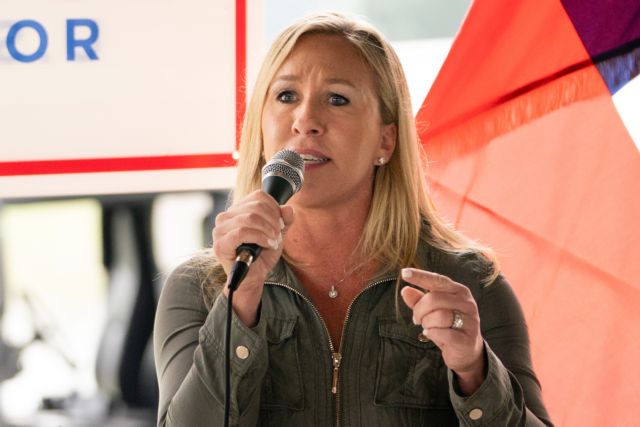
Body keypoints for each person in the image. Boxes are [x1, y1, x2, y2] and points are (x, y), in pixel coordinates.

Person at [153, 12, 553, 426]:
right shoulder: (200, 289)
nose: (305, 121)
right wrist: (238, 307)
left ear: (386, 140)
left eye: (337, 99)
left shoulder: (468, 283)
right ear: (260, 127)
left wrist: (475, 371)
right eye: (286, 96)